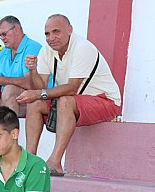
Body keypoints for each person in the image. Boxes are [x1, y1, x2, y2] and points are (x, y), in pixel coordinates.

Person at [18, 14, 122, 177]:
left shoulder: (82, 48)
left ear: (70, 30)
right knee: (35, 103)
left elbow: (72, 88)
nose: (51, 38)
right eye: (47, 34)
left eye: (56, 32)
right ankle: (29, 160)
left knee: (65, 100)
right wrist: (32, 71)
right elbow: (40, 87)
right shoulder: (47, 50)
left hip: (105, 101)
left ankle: (55, 162)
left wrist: (38, 93)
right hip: (76, 101)